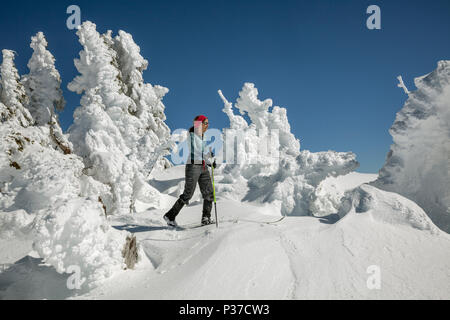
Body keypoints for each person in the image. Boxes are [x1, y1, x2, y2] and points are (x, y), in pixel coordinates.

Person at [164, 115, 217, 227]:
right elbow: (196, 151)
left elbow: (201, 154)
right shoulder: (192, 135)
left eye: (208, 123)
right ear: (199, 124)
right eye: (206, 123)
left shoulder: (202, 137)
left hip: (203, 167)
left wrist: (209, 159)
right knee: (188, 194)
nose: (208, 125)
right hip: (193, 166)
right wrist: (207, 159)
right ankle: (170, 216)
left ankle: (206, 218)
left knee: (209, 193)